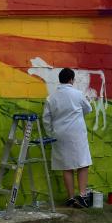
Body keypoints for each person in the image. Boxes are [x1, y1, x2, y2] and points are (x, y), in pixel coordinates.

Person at [42, 68, 93, 208]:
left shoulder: (51, 97)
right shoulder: (77, 94)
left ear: (60, 80)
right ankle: (82, 196)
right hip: (76, 133)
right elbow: (88, 109)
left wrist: (50, 133)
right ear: (71, 79)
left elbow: (46, 119)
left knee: (66, 166)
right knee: (83, 163)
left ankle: (70, 198)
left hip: (60, 134)